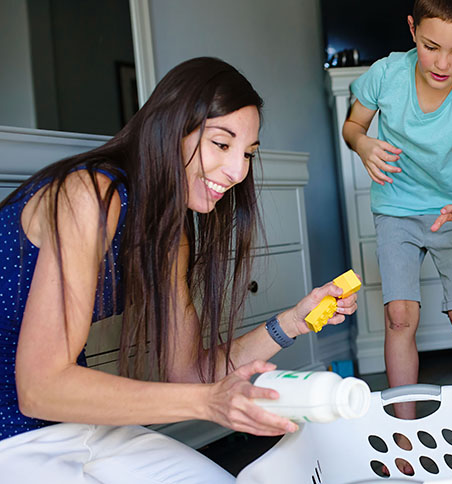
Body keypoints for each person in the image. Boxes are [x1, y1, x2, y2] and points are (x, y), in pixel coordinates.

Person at [0, 57, 357, 483]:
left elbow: (189, 374)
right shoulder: (90, 194)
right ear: (171, 128)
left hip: (79, 424)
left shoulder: (171, 230)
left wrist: (292, 322)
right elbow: (41, 389)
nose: (237, 171)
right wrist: (209, 402)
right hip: (13, 433)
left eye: (247, 153)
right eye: (221, 145)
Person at [341, 0, 452, 418]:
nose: (443, 63)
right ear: (412, 30)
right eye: (432, 46)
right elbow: (353, 126)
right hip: (396, 208)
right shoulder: (386, 74)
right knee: (399, 316)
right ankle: (404, 434)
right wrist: (363, 144)